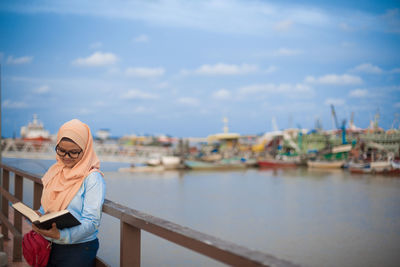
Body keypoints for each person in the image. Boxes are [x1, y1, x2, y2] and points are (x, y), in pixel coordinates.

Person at [32, 119, 106, 267]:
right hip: (50, 242)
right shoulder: (56, 171)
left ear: (85, 150)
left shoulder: (92, 178)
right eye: (61, 150)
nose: (66, 157)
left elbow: (91, 222)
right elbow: (47, 205)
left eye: (73, 152)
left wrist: (62, 235)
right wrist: (39, 217)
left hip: (78, 248)